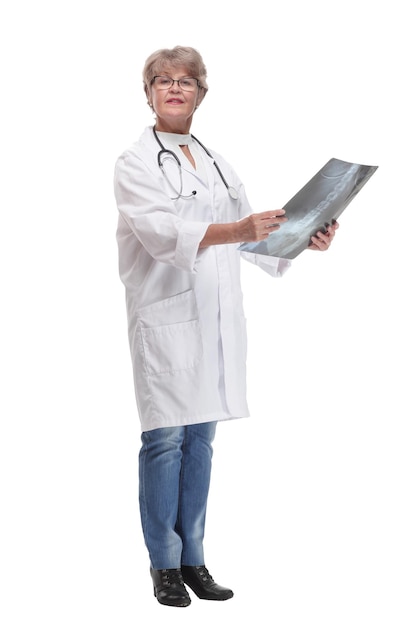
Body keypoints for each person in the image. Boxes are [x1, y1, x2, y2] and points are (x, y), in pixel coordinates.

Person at [114, 45, 338, 608]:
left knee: (202, 441)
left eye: (185, 81)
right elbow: (162, 234)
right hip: (164, 318)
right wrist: (237, 227)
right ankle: (163, 566)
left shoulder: (216, 162)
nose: (173, 88)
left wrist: (302, 240)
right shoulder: (135, 162)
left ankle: (194, 559)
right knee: (165, 440)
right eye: (162, 80)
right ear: (147, 93)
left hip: (214, 320)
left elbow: (251, 239)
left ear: (200, 94)